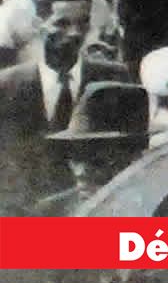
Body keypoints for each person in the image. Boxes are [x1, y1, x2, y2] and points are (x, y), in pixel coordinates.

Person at [0, 0, 130, 211]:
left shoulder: (113, 78)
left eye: (83, 23)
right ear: (38, 25)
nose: (74, 33)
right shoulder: (7, 85)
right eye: (62, 23)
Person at [31, 81, 150, 216]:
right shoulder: (51, 213)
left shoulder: (161, 209)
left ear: (134, 158)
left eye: (96, 161)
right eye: (74, 158)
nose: (80, 172)